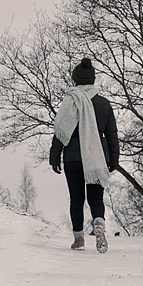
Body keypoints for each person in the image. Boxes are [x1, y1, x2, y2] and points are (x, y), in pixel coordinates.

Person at [49, 57, 119, 253]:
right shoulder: (104, 104)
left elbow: (60, 131)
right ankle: (98, 222)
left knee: (76, 199)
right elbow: (111, 134)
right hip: (97, 158)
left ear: (75, 80)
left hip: (72, 157)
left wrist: (55, 156)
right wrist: (113, 159)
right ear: (93, 80)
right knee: (96, 198)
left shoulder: (69, 102)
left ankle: (79, 240)